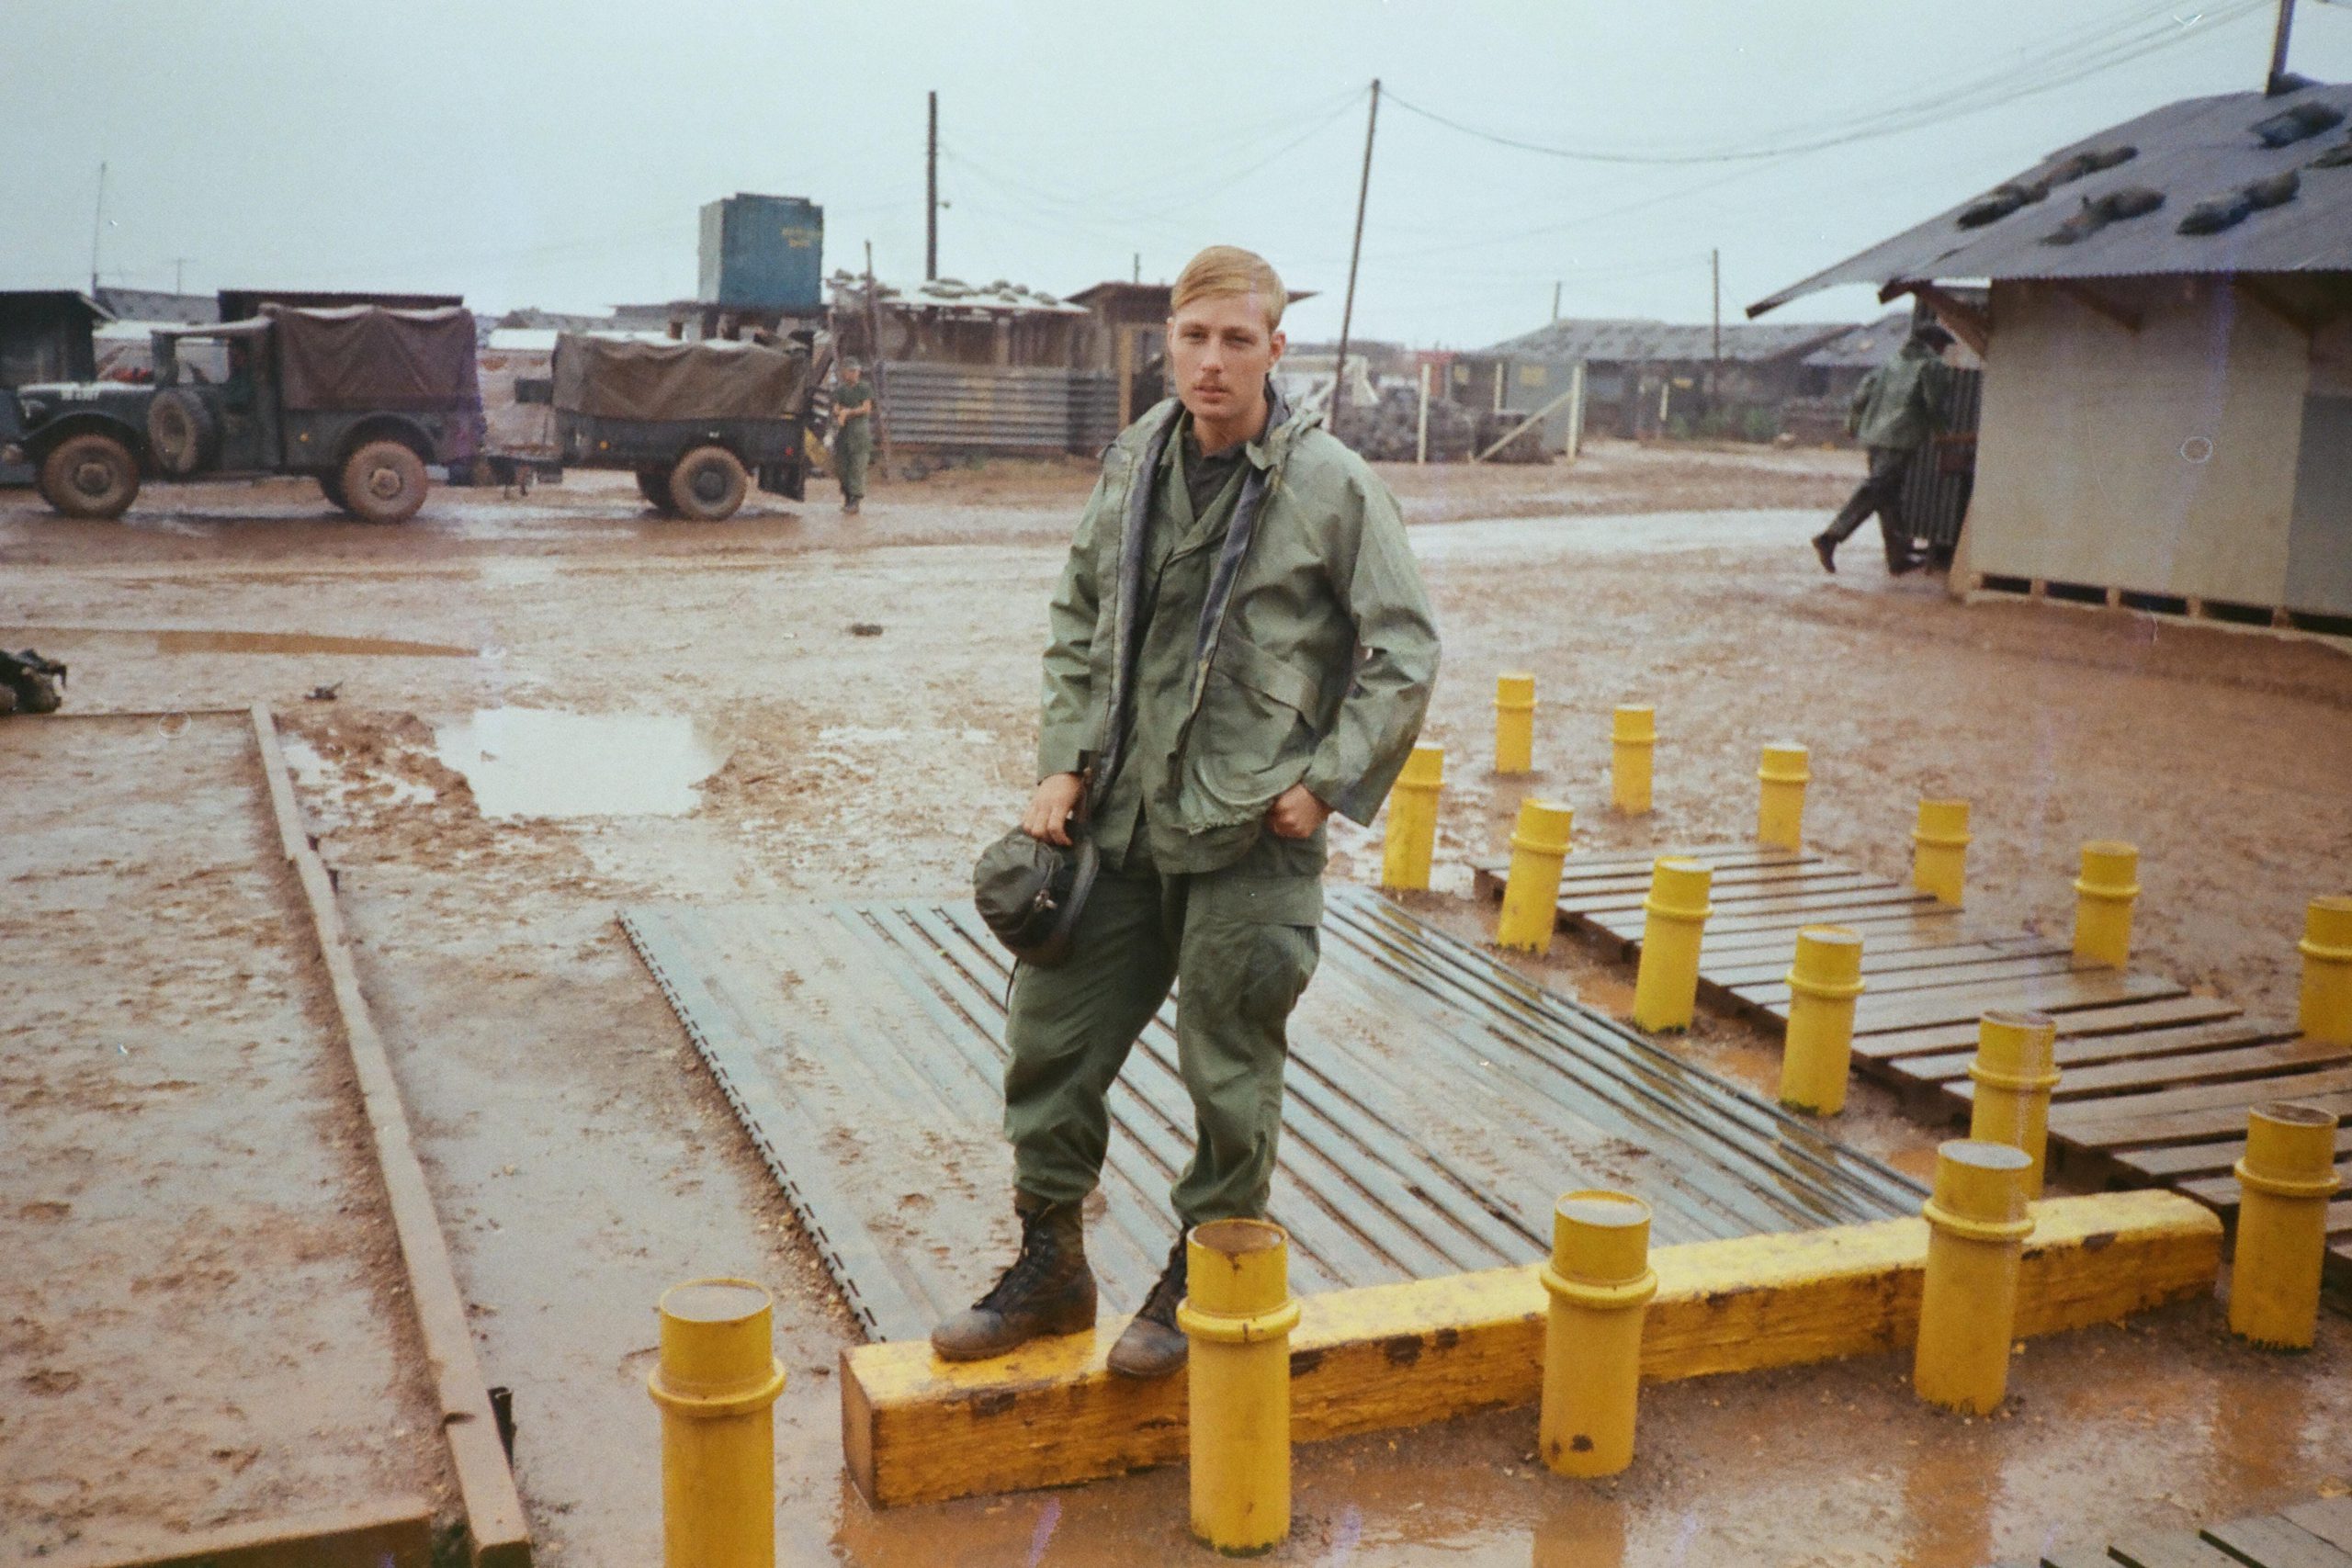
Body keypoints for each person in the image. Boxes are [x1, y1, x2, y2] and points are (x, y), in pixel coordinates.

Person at [931, 245, 1441, 1378]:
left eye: (1237, 340)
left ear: (1275, 348)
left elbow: (1402, 652)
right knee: (1048, 1041)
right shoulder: (1132, 460)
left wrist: (1326, 784)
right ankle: (1051, 1271)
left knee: (1227, 1066)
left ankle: (1198, 1274)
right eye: (1194, 339)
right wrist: (1063, 762)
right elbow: (1077, 614)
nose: (1213, 364)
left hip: (1254, 835)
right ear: (1166, 343)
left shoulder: (1334, 486)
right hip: (1118, 820)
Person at [1812, 321, 1956, 575]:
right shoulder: (1931, 366)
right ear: (1935, 344)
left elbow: (1861, 395)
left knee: (1888, 498)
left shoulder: (1890, 362)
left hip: (1874, 435)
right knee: (1876, 489)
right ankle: (1831, 536)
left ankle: (1897, 558)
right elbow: (1935, 405)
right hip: (1900, 437)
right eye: (1943, 346)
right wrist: (1944, 435)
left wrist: (1854, 425)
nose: (1943, 351)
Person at [831, 357, 874, 514]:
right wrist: (842, 411)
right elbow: (836, 409)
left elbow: (866, 408)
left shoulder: (864, 388)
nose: (854, 374)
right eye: (851, 371)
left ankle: (855, 501)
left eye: (856, 371)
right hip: (844, 434)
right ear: (845, 373)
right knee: (843, 468)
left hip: (860, 434)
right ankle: (847, 498)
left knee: (857, 468)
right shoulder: (841, 390)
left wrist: (848, 411)